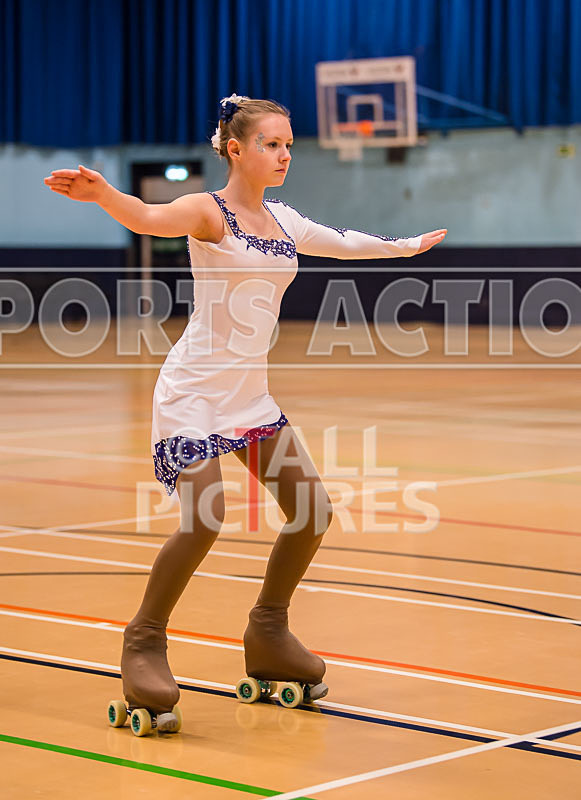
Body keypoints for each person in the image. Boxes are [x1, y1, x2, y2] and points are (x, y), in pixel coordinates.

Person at [44, 94, 447, 732]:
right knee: (205, 518)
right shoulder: (210, 211)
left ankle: (268, 632)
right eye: (270, 144)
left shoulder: (284, 222)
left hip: (248, 397)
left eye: (288, 145)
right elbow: (151, 215)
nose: (284, 155)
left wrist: (403, 247)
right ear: (236, 149)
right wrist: (104, 197)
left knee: (312, 509)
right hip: (193, 395)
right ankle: (144, 640)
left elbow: (342, 242)